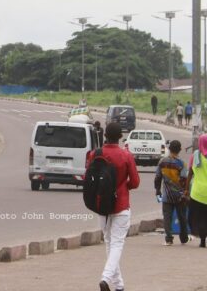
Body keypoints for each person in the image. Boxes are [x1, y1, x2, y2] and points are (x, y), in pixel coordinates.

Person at [86, 122, 140, 291]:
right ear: (120, 137)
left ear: (104, 136)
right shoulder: (126, 155)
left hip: (102, 205)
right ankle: (106, 278)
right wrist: (124, 187)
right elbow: (136, 182)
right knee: (117, 244)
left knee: (109, 243)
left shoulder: (95, 154)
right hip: (121, 205)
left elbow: (89, 176)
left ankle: (119, 286)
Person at [155, 140, 189, 245]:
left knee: (167, 217)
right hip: (179, 195)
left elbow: (158, 177)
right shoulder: (182, 163)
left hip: (167, 195)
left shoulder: (162, 162)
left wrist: (157, 190)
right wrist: (185, 193)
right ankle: (183, 238)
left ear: (169, 149)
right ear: (179, 150)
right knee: (182, 217)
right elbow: (184, 180)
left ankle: (169, 238)